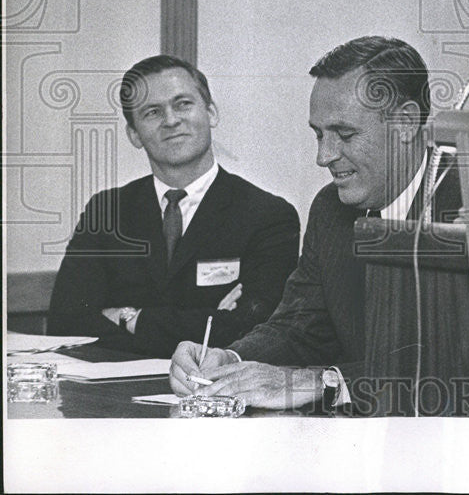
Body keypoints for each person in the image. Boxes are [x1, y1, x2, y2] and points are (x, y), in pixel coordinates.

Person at [169, 36, 469, 411]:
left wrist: (324, 382)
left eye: (344, 134)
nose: (323, 156)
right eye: (318, 134)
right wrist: (230, 360)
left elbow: (460, 369)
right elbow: (300, 325)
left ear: (406, 122)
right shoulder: (331, 209)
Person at [48, 55, 300, 358]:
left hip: (213, 391)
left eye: (183, 104)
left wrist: (127, 316)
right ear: (134, 135)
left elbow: (253, 326)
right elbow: (65, 324)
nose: (170, 120)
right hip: (111, 396)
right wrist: (207, 319)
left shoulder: (268, 215)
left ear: (211, 113)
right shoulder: (107, 211)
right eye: (152, 112)